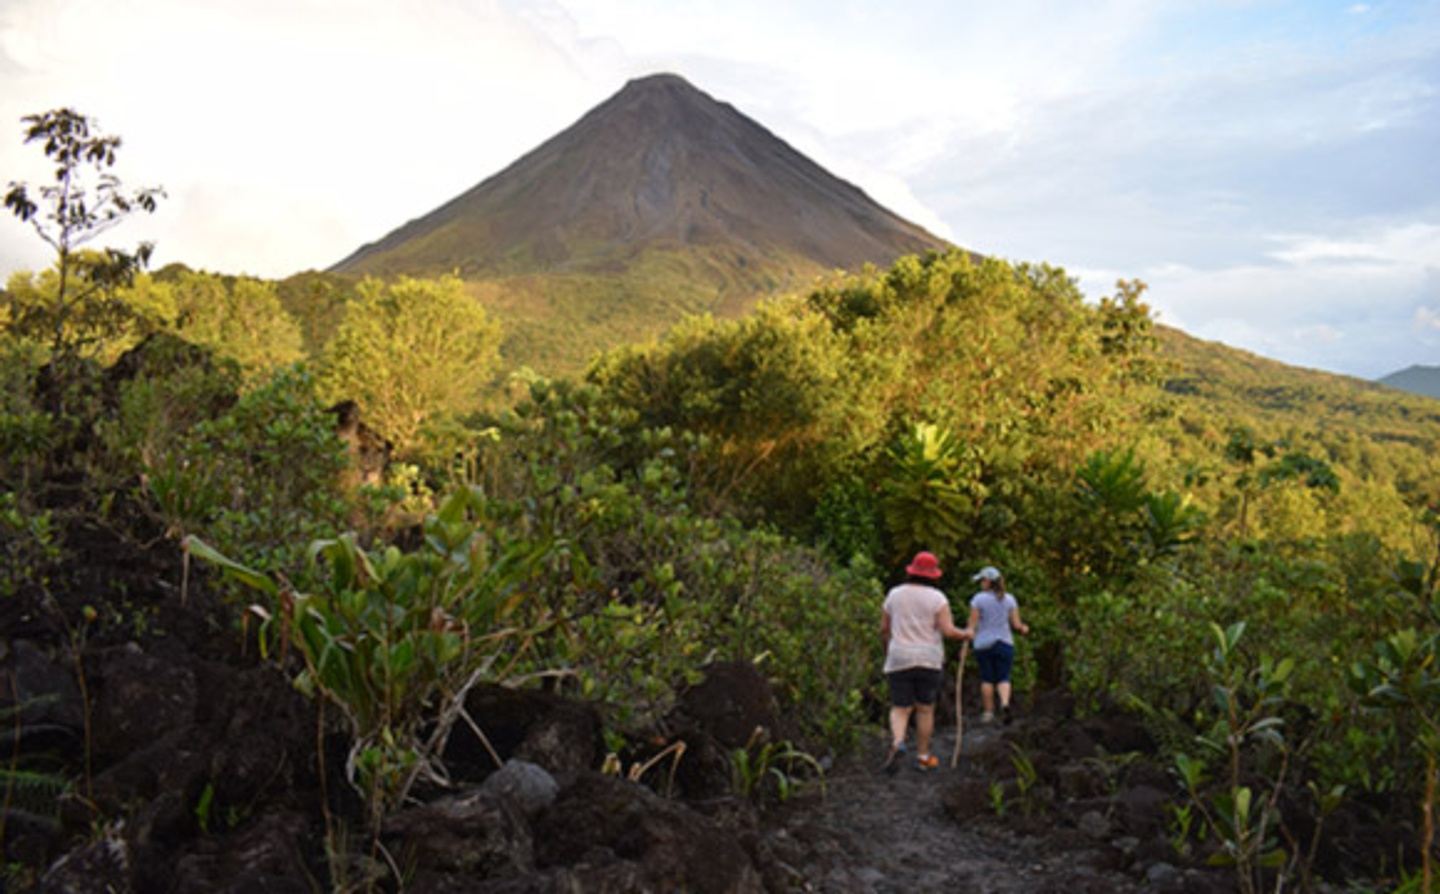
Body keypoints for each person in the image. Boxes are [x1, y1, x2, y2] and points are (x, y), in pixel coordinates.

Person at [880, 550, 972, 773]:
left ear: (911, 571)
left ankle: (898, 742)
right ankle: (923, 757)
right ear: (933, 575)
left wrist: (887, 650)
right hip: (929, 658)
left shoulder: (894, 594)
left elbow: (884, 628)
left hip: (899, 655)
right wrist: (966, 634)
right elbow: (948, 631)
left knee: (900, 708)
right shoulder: (938, 598)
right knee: (925, 709)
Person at [966, 565, 1029, 724]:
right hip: (1004, 643)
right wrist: (1023, 628)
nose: (980, 583)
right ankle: (1005, 704)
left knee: (987, 679)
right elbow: (1016, 624)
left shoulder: (978, 599)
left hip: (983, 644)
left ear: (987, 582)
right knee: (1003, 678)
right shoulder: (1009, 599)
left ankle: (988, 712)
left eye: (982, 580)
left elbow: (972, 625)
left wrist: (966, 640)